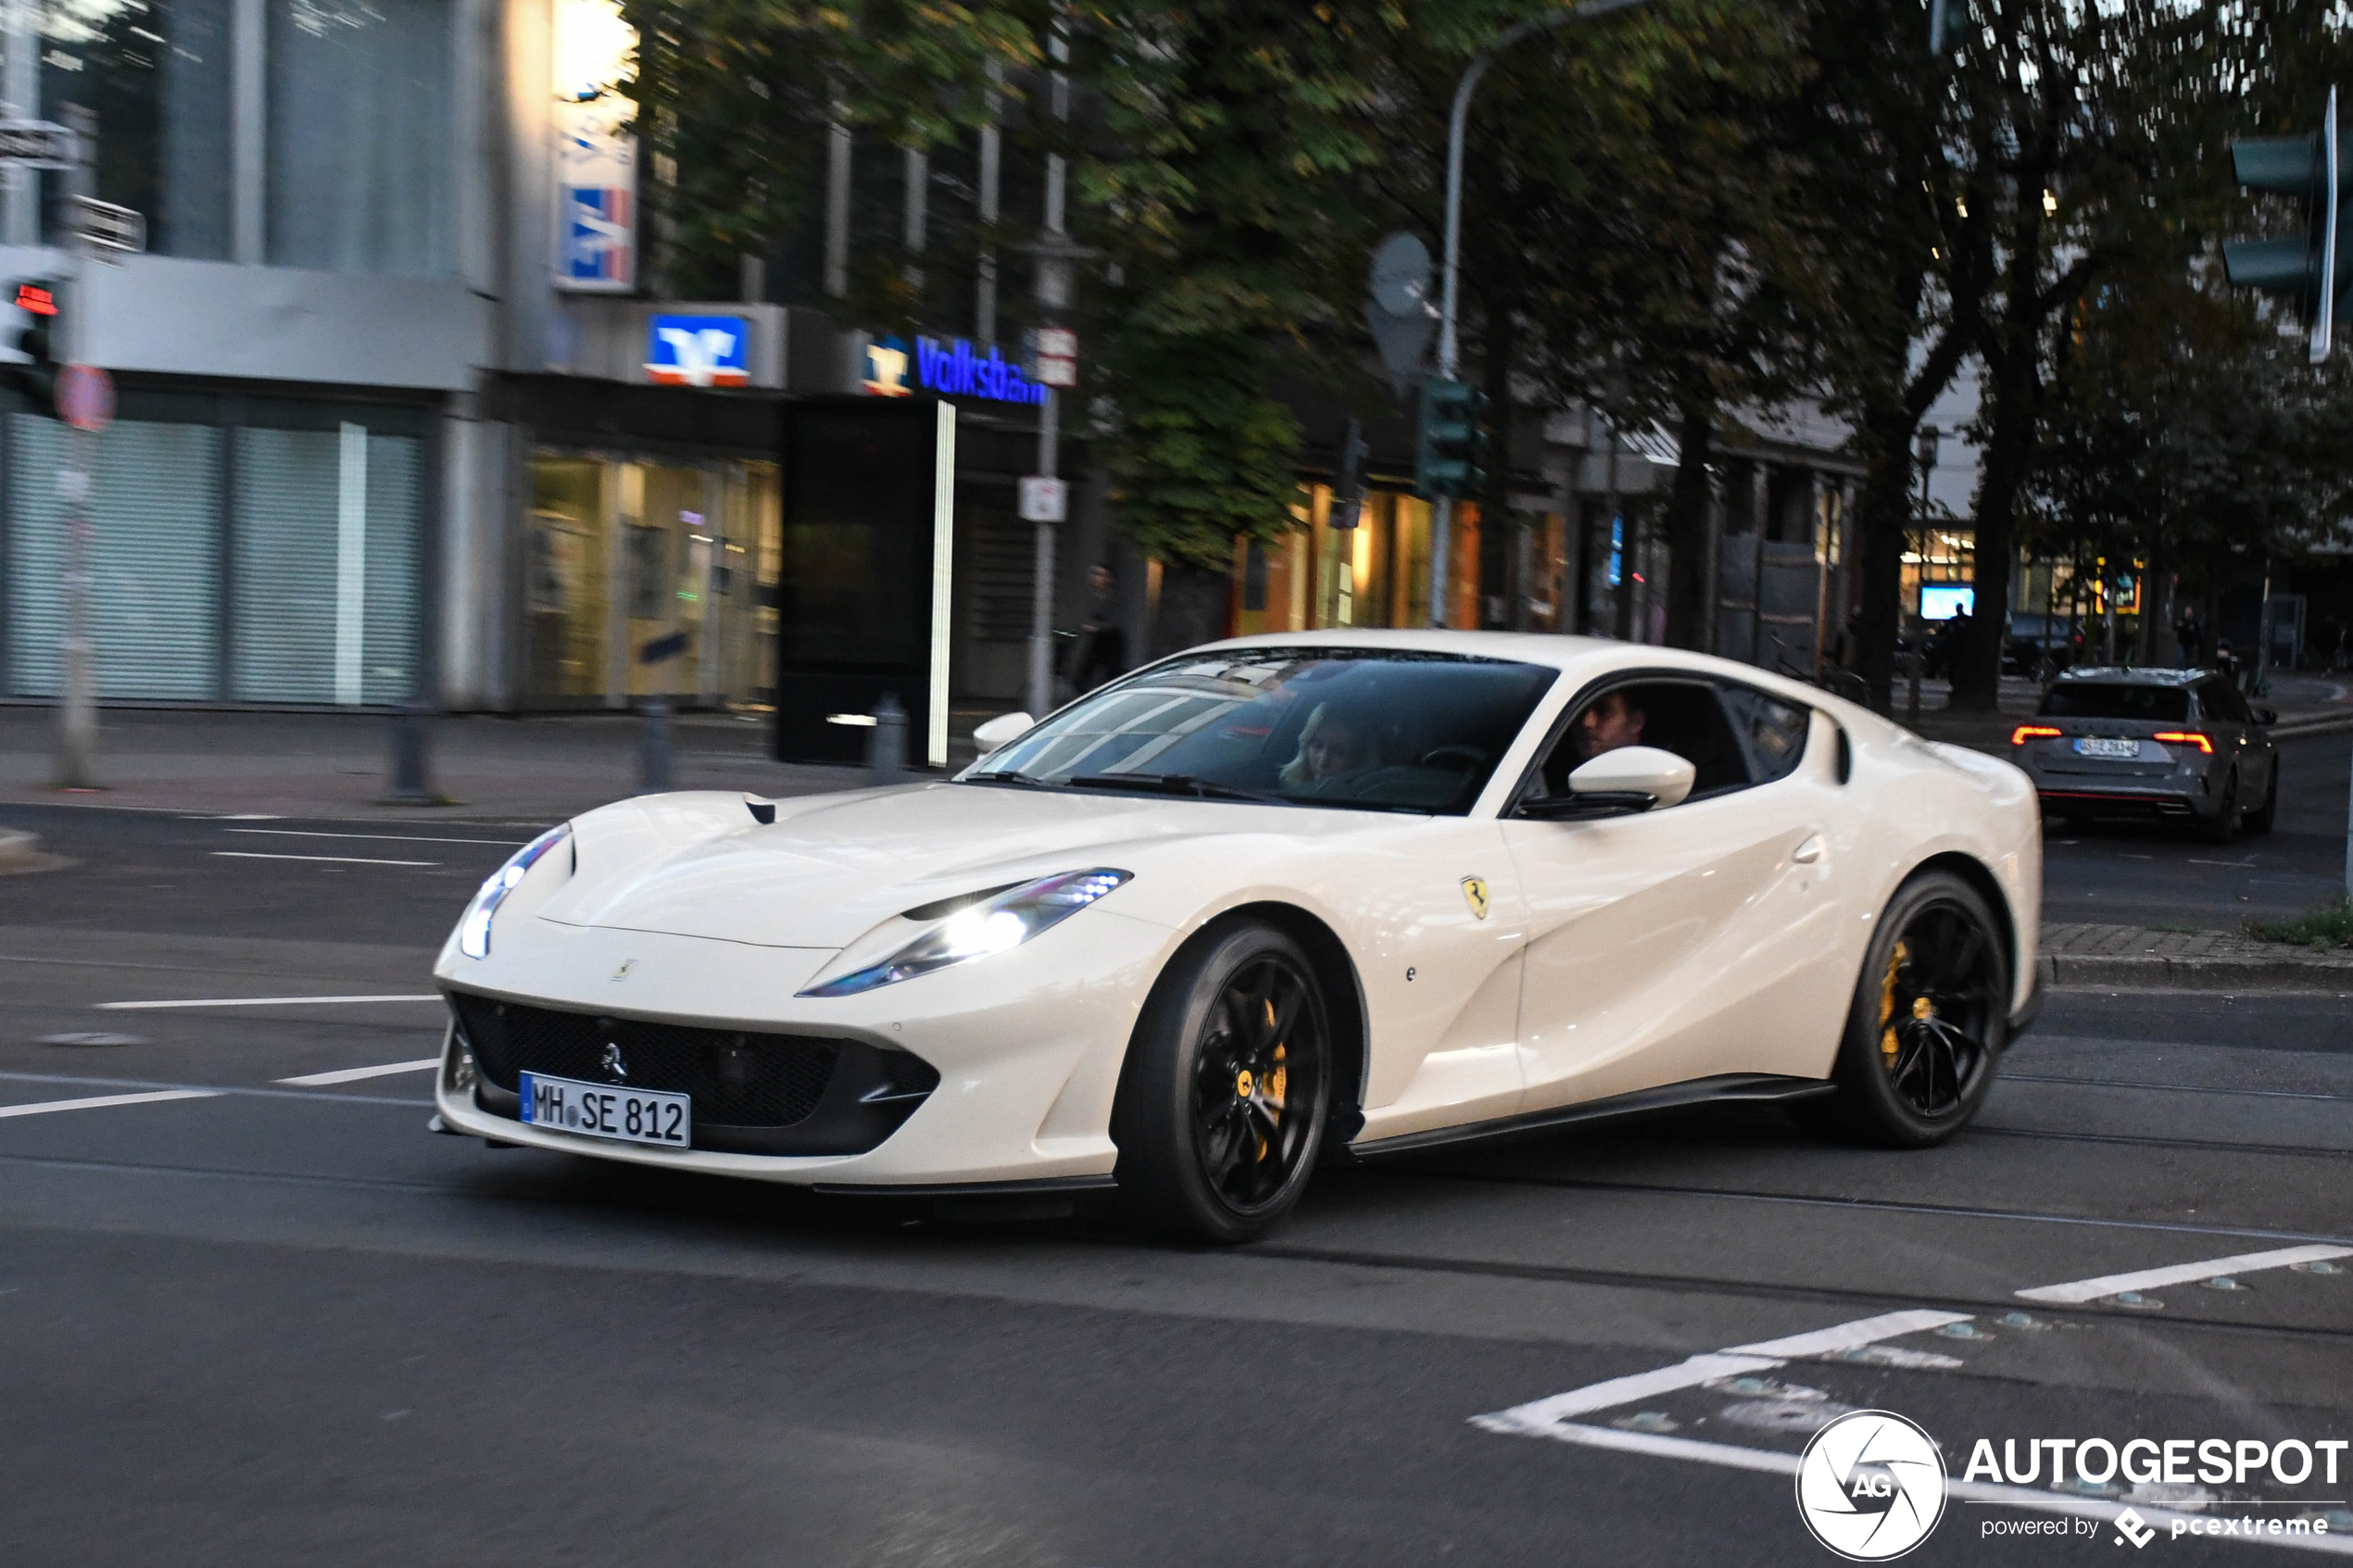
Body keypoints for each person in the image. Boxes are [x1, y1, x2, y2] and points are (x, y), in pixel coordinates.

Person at [1278, 703, 1378, 789]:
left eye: (1338, 752)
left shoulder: (1367, 800)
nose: (1323, 761)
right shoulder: (1284, 793)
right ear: (1306, 746)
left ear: (1358, 758)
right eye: (1317, 746)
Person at [1068, 564, 1128, 696]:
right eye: (1098, 575)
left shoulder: (1114, 598)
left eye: (1104, 576)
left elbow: (1117, 620)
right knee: (1079, 676)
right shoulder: (1089, 596)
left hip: (1109, 642)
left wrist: (1099, 628)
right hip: (1092, 642)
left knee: (1109, 675)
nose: (1100, 579)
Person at [1569, 689, 1647, 762]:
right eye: (1581, 710)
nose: (1587, 723)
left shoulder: (1653, 772)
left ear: (1635, 722)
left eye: (1603, 711)